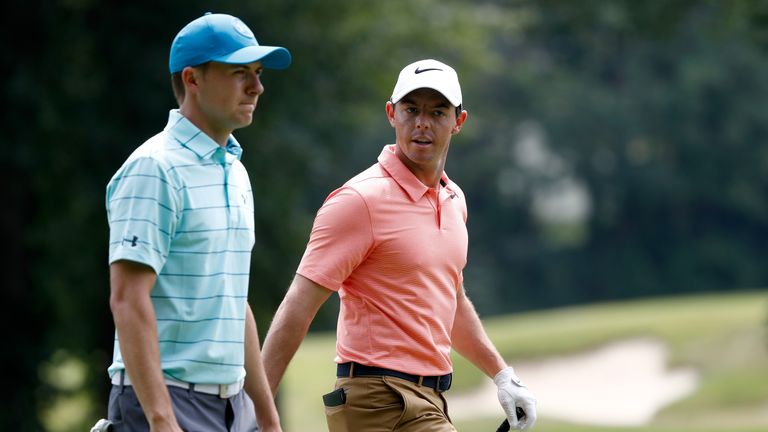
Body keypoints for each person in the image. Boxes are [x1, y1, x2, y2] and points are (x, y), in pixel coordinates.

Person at [261, 59, 537, 431]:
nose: (422, 123)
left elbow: (449, 300)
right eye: (411, 110)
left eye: (437, 112)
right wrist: (258, 408)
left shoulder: (453, 200)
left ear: (458, 121)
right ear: (392, 114)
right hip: (378, 400)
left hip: (428, 401)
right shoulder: (359, 200)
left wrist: (503, 375)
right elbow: (299, 305)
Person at [103, 12, 291, 432]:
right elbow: (128, 299)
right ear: (192, 79)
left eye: (258, 73)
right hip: (165, 403)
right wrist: (161, 418)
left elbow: (232, 298)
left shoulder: (235, 171)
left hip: (232, 405)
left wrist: (266, 414)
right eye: (240, 72)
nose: (257, 87)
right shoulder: (154, 168)